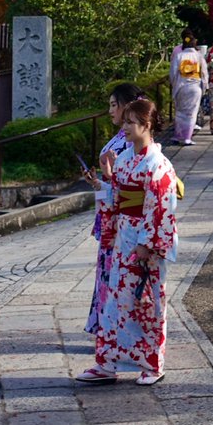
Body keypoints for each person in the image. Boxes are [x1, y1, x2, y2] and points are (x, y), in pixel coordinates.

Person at [77, 98, 179, 386]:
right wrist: (101, 186)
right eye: (125, 122)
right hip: (125, 236)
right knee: (113, 304)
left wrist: (148, 243)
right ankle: (106, 363)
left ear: (146, 125)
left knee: (146, 303)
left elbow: (161, 206)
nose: (125, 127)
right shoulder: (124, 159)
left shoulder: (158, 165)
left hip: (145, 243)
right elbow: (118, 196)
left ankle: (152, 364)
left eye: (130, 122)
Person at [84, 82, 144, 335]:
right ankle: (105, 326)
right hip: (109, 211)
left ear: (127, 106)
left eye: (113, 105)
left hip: (123, 218)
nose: (109, 111)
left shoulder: (134, 142)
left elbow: (134, 184)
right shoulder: (122, 137)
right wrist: (99, 182)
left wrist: (111, 178)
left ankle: (113, 328)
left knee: (116, 273)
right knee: (107, 271)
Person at [170, 28, 208, 145]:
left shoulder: (179, 56)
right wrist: (205, 86)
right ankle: (187, 137)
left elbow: (173, 73)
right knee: (191, 113)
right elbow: (204, 73)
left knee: (180, 112)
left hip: (181, 86)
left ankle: (178, 135)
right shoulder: (198, 56)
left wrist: (174, 85)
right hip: (194, 87)